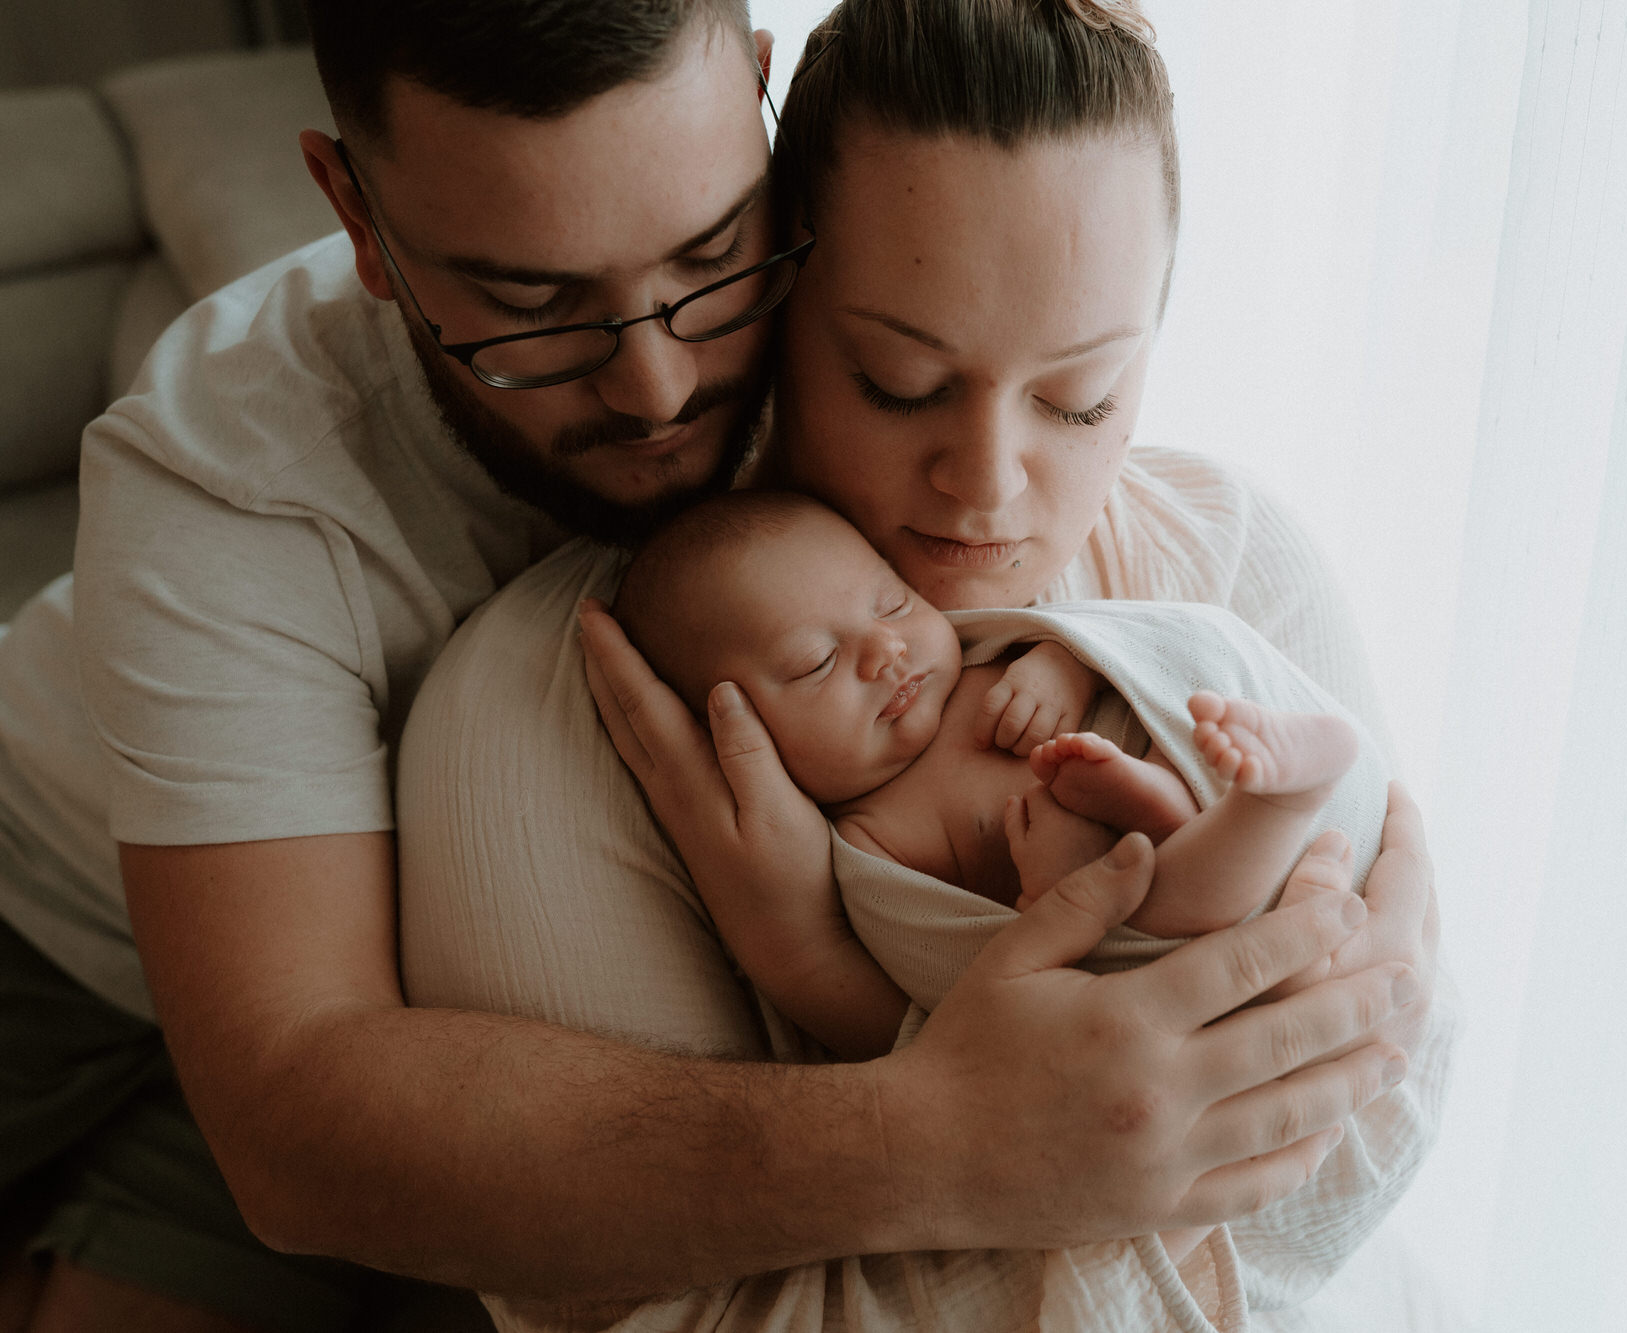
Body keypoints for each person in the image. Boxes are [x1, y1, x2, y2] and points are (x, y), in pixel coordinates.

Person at [0, 3, 1443, 1332]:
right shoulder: (226, 486)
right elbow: (299, 1125)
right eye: (535, 304)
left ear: (755, 105)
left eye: (707, 262)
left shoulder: (858, 292)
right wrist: (944, 1138)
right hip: (72, 943)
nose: (658, 386)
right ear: (357, 216)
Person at [611, 487, 1371, 1063]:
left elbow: (1118, 642)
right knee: (1162, 902)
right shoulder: (872, 841)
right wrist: (1048, 893)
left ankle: (1173, 794)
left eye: (893, 601)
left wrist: (1064, 664)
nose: (887, 650)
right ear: (735, 737)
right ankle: (1272, 802)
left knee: (1186, 721)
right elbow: (968, 982)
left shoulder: (982, 653)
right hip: (1149, 918)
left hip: (1175, 755)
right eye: (817, 662)